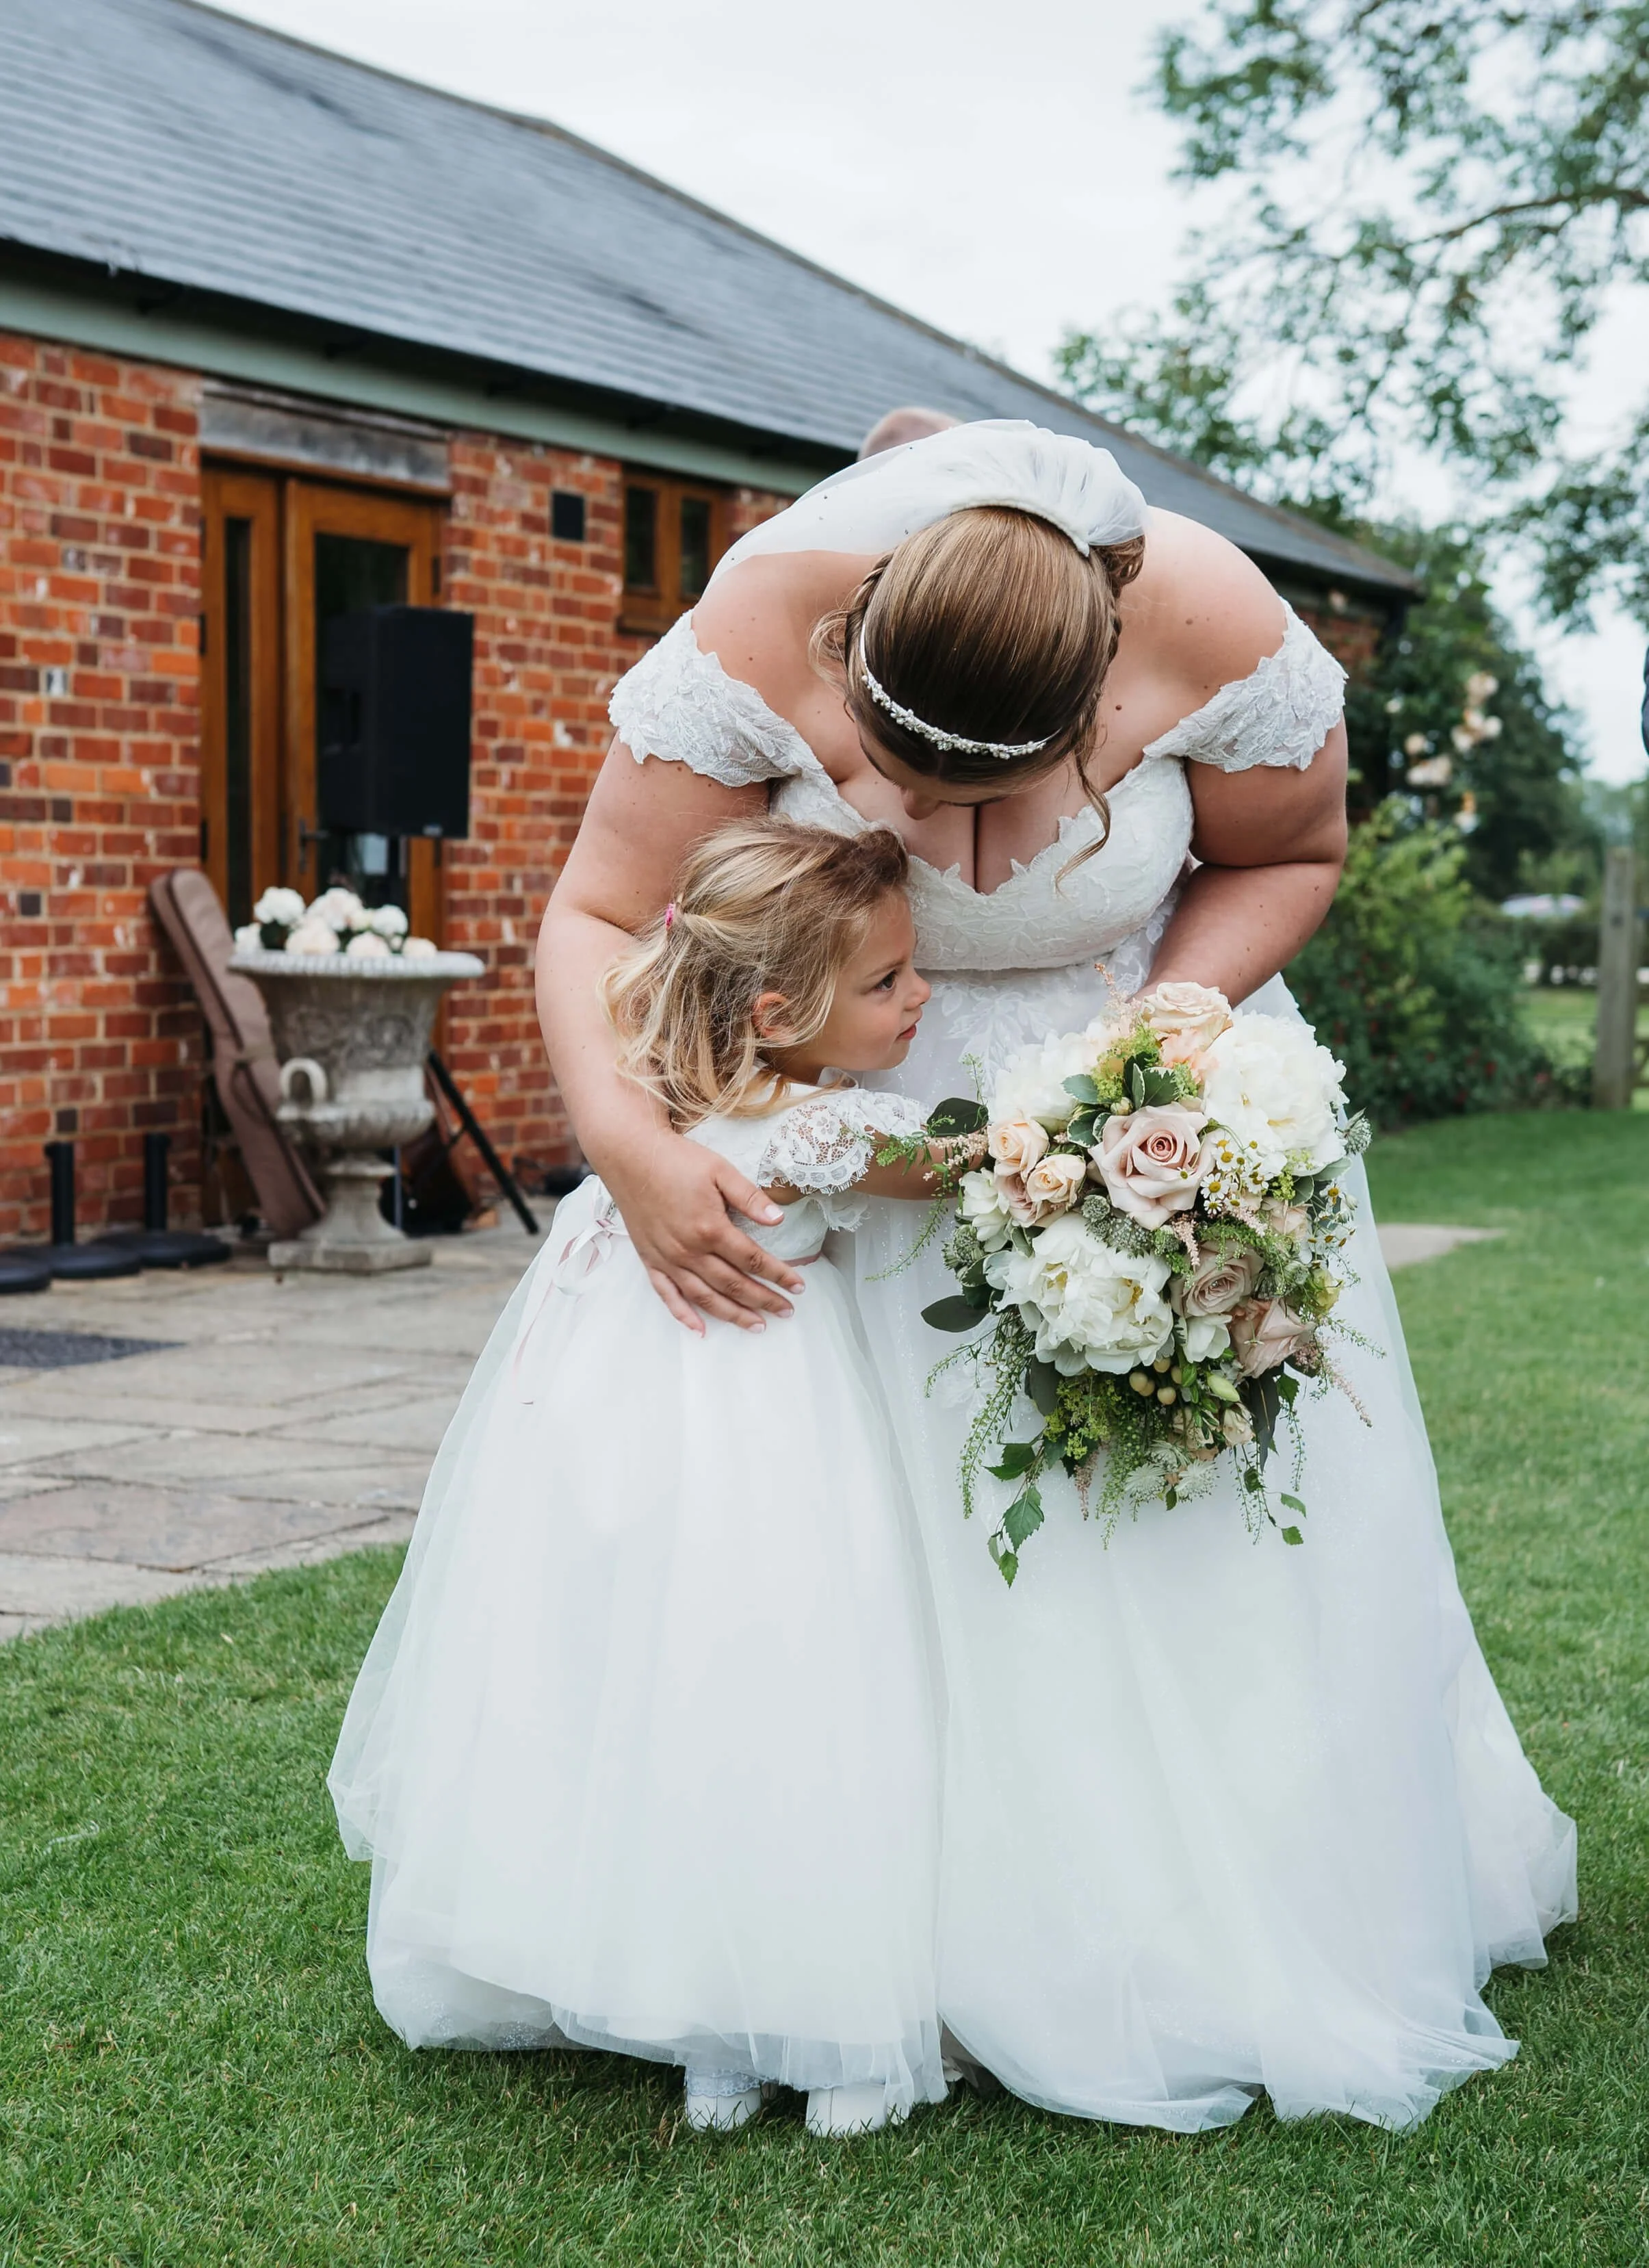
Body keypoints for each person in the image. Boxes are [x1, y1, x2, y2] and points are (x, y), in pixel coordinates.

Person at [536, 419, 1576, 2130]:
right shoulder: (752, 619)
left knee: (1157, 1554)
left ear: (1103, 699)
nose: (963, 850)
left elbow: (1285, 853)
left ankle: (1167, 1923)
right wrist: (635, 1154)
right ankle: (842, 1939)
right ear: (840, 652)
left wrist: (1171, 1029)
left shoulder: (1216, 627)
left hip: (1125, 1123)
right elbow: (594, 914)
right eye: (905, 786)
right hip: (843, 1164)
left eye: (1000, 799)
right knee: (835, 1570)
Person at [331, 820, 959, 2140]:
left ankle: (708, 2032)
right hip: (774, 1449)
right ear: (782, 1009)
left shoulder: (657, 1112)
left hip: (613, 1445)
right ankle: (821, 2020)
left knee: (665, 1701)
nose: (921, 1000)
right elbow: (985, 1170)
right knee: (798, 1694)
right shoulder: (830, 1130)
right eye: (891, 982)